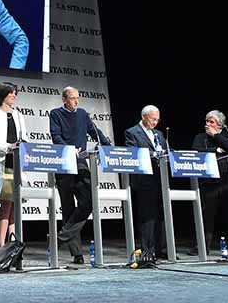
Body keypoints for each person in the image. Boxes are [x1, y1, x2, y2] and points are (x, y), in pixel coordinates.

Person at [49, 86, 111, 264]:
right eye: (72, 98)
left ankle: (60, 237)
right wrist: (69, 150)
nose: (76, 101)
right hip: (64, 164)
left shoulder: (83, 113)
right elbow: (56, 136)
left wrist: (106, 144)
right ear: (64, 100)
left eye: (78, 98)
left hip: (82, 163)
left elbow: (94, 132)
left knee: (89, 200)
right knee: (68, 208)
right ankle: (77, 254)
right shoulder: (55, 114)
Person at [187, 110, 228, 256]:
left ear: (220, 124)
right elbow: (196, 152)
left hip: (227, 181)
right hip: (208, 181)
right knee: (205, 216)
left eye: (211, 122)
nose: (207, 125)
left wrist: (215, 136)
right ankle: (201, 247)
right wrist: (215, 149)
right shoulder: (200, 137)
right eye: (206, 121)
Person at [0, 82, 26, 246]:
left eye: (15, 93)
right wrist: (8, 147)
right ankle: (1, 245)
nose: (14, 96)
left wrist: (22, 145)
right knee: (6, 203)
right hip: (2, 161)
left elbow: (24, 136)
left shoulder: (19, 115)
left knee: (15, 203)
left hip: (16, 162)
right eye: (11, 93)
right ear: (3, 95)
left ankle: (13, 242)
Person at [125, 105, 168, 260]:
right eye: (153, 119)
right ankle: (147, 251)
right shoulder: (132, 132)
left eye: (157, 119)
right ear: (144, 117)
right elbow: (134, 153)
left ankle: (162, 249)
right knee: (147, 216)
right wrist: (154, 154)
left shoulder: (159, 134)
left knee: (163, 216)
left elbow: (166, 151)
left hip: (160, 178)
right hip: (144, 180)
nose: (155, 122)